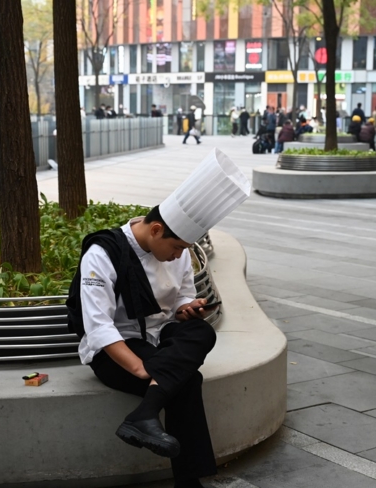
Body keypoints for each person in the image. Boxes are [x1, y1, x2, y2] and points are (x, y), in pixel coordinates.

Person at [68, 148, 250, 488]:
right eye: (178, 247)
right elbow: (98, 328)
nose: (181, 256)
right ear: (155, 230)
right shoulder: (102, 254)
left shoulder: (176, 251)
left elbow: (179, 298)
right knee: (188, 381)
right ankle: (188, 480)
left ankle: (143, 415)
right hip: (116, 350)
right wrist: (142, 369)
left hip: (159, 338)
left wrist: (186, 308)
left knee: (201, 332)